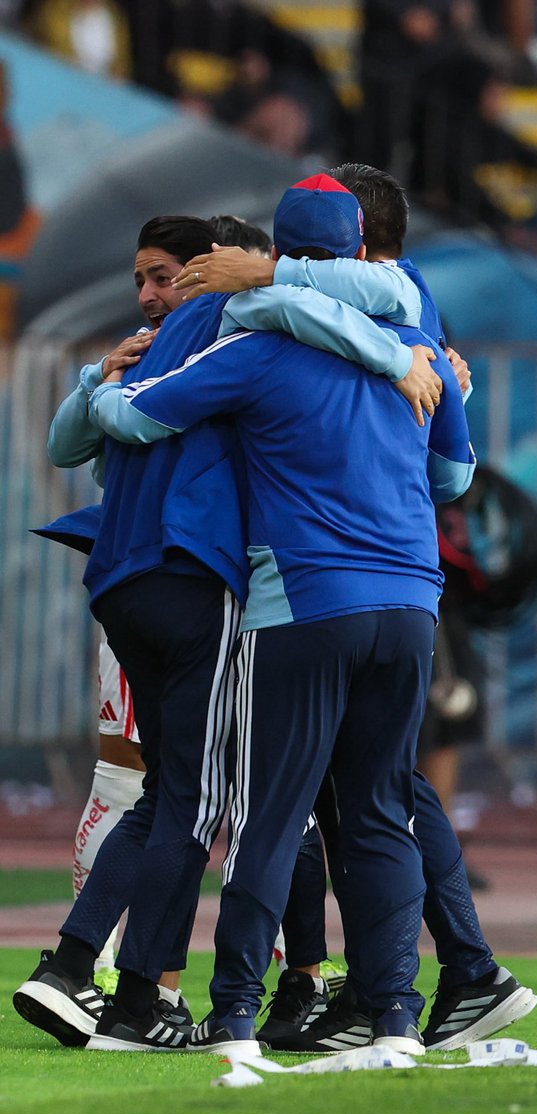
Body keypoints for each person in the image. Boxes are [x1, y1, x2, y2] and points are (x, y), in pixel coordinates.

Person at [14, 208, 442, 1051]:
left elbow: (90, 438)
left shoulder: (166, 349)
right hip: (203, 574)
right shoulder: (236, 322)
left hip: (122, 575)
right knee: (235, 798)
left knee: (167, 785)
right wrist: (403, 358)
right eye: (143, 277)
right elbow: (380, 295)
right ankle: (164, 995)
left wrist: (100, 386)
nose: (151, 292)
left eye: (162, 275)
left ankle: (90, 971)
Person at [170, 162, 537, 1053]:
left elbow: (137, 417)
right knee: (382, 807)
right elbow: (454, 475)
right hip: (410, 594)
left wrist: (102, 388)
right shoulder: (416, 330)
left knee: (275, 812)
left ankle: (232, 1013)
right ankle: (398, 1009)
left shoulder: (259, 337)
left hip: (302, 596)